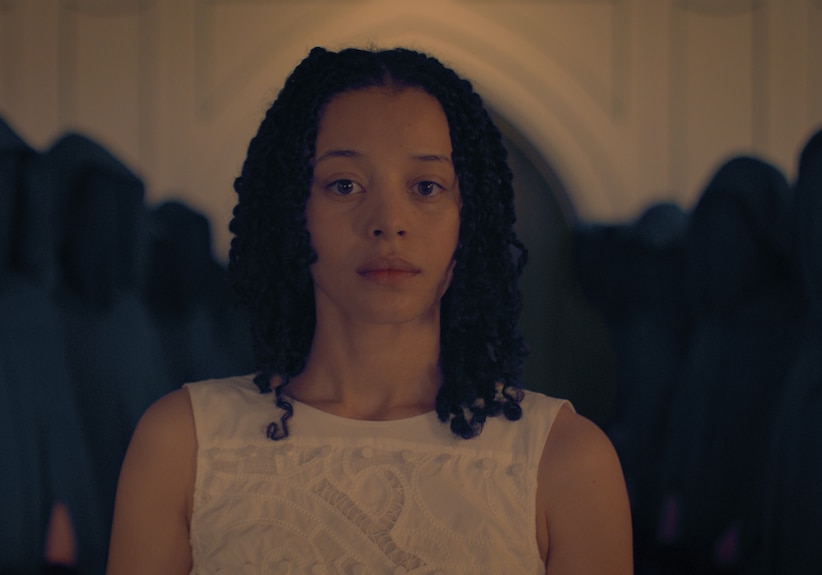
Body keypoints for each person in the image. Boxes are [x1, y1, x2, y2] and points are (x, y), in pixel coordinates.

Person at [106, 46, 633, 574]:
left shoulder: (564, 462)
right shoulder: (184, 445)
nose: (388, 222)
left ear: (466, 219)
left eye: (426, 187)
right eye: (345, 185)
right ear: (294, 210)